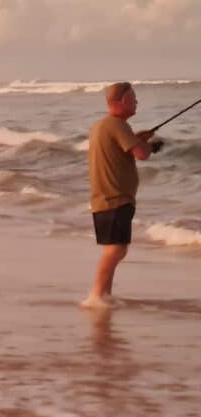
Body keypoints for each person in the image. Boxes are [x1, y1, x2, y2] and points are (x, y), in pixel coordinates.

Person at [82, 82, 156, 309]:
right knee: (117, 249)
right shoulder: (117, 125)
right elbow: (142, 154)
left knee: (113, 248)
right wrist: (151, 145)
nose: (136, 103)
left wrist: (136, 137)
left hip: (103, 198)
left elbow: (123, 147)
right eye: (133, 99)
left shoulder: (103, 125)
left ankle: (105, 296)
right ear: (121, 101)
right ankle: (95, 296)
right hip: (115, 198)